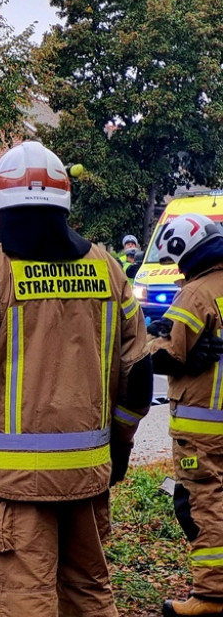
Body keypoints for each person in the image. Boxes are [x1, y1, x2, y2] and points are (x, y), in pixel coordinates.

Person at [0, 141, 152, 617]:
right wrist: (122, 445)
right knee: (89, 592)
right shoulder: (108, 267)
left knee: (25, 601)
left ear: (0, 207)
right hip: (88, 475)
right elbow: (138, 373)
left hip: (15, 483)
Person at [145, 214, 223, 617]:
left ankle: (211, 597)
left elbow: (164, 355)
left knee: (202, 503)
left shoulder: (195, 294)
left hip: (204, 427)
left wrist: (156, 337)